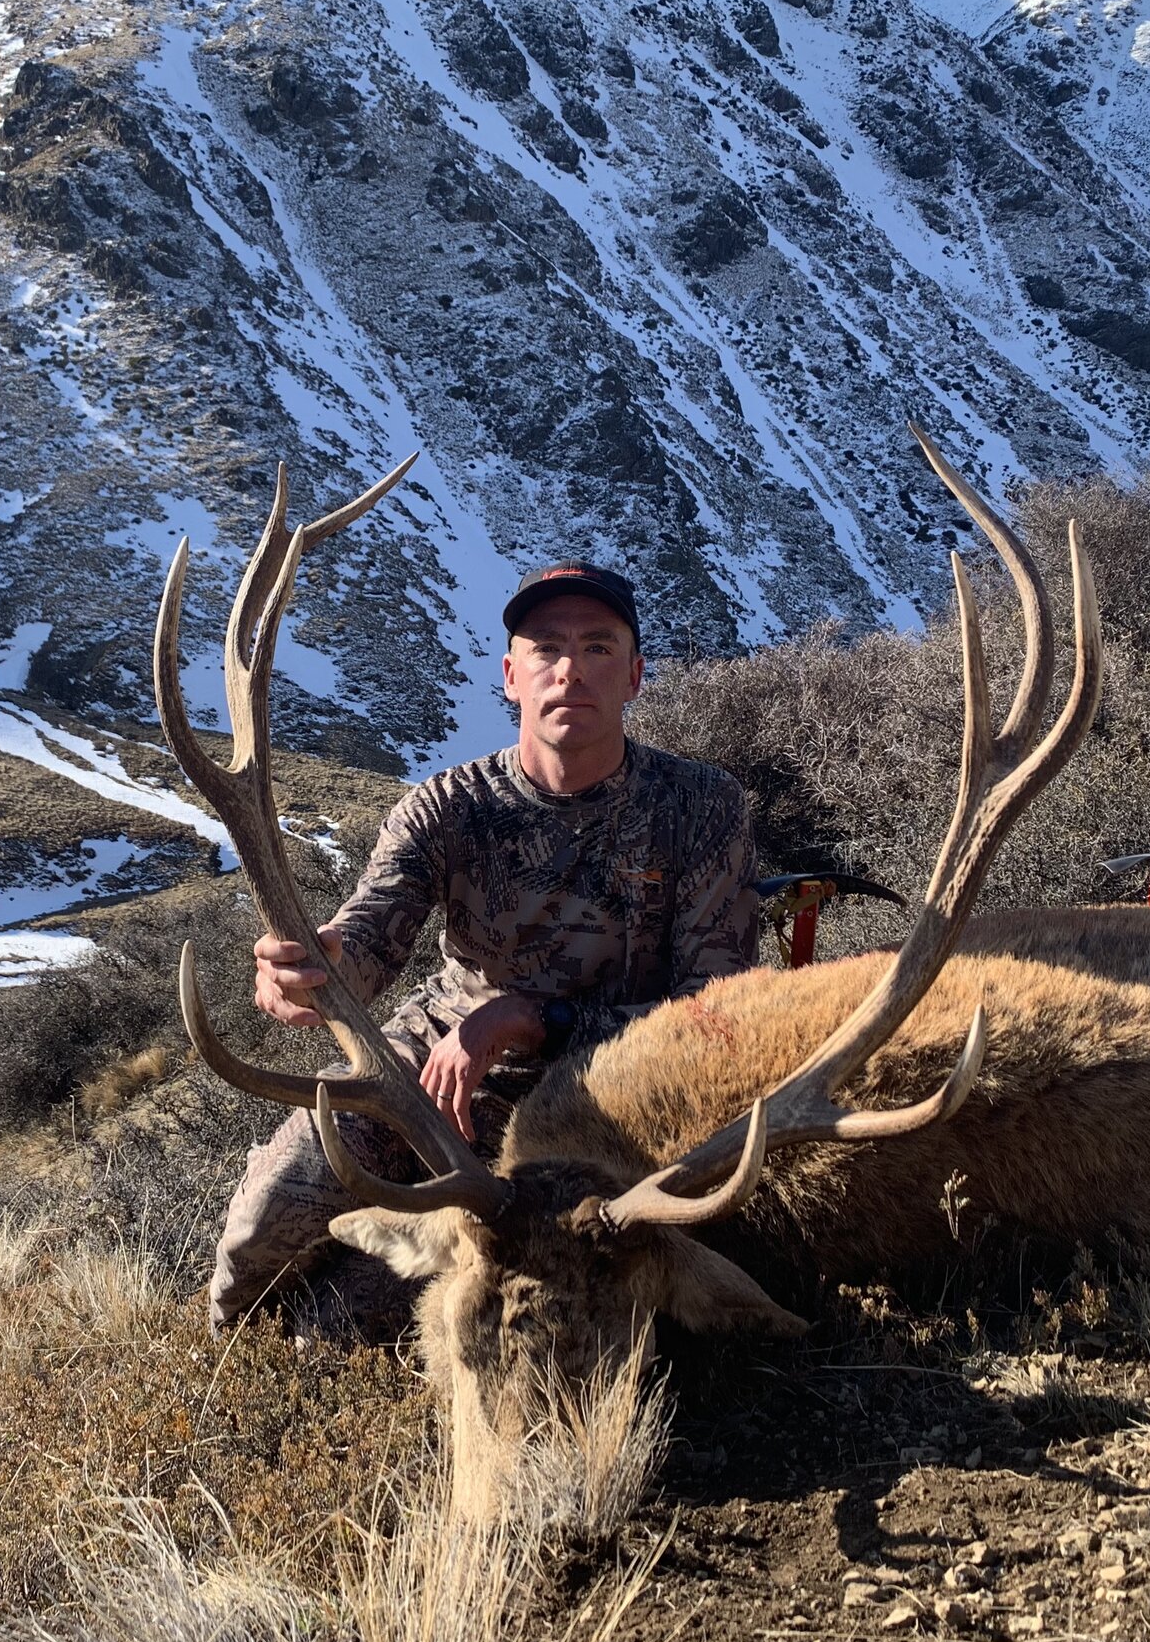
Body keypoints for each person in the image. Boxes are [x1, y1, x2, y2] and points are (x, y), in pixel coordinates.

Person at [206, 560, 760, 1333]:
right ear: (510, 674)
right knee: (269, 1216)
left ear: (634, 676)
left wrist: (529, 1019)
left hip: (628, 1090)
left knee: (352, 1321)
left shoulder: (704, 808)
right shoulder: (447, 806)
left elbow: (719, 1015)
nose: (570, 669)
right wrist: (311, 969)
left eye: (598, 647)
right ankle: (226, 1361)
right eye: (545, 648)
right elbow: (366, 940)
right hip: (437, 1072)